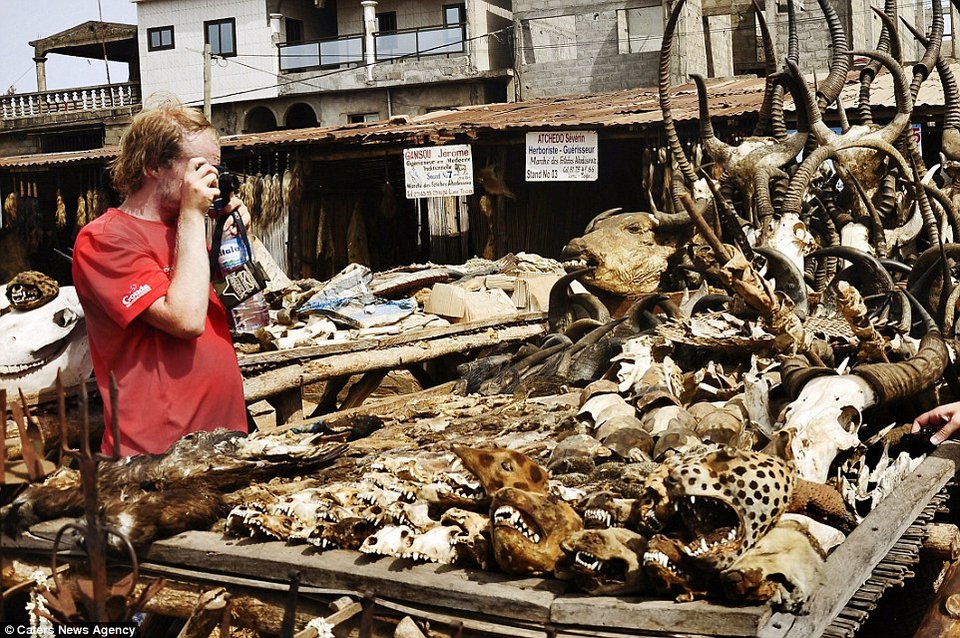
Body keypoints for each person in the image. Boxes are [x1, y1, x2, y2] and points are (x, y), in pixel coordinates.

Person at [72, 102, 248, 456]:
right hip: (159, 454)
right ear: (153, 164)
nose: (211, 180)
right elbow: (185, 319)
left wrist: (236, 240)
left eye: (216, 167)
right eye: (200, 167)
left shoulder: (189, 226)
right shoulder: (104, 239)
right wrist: (193, 216)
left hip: (225, 438)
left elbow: (234, 302)